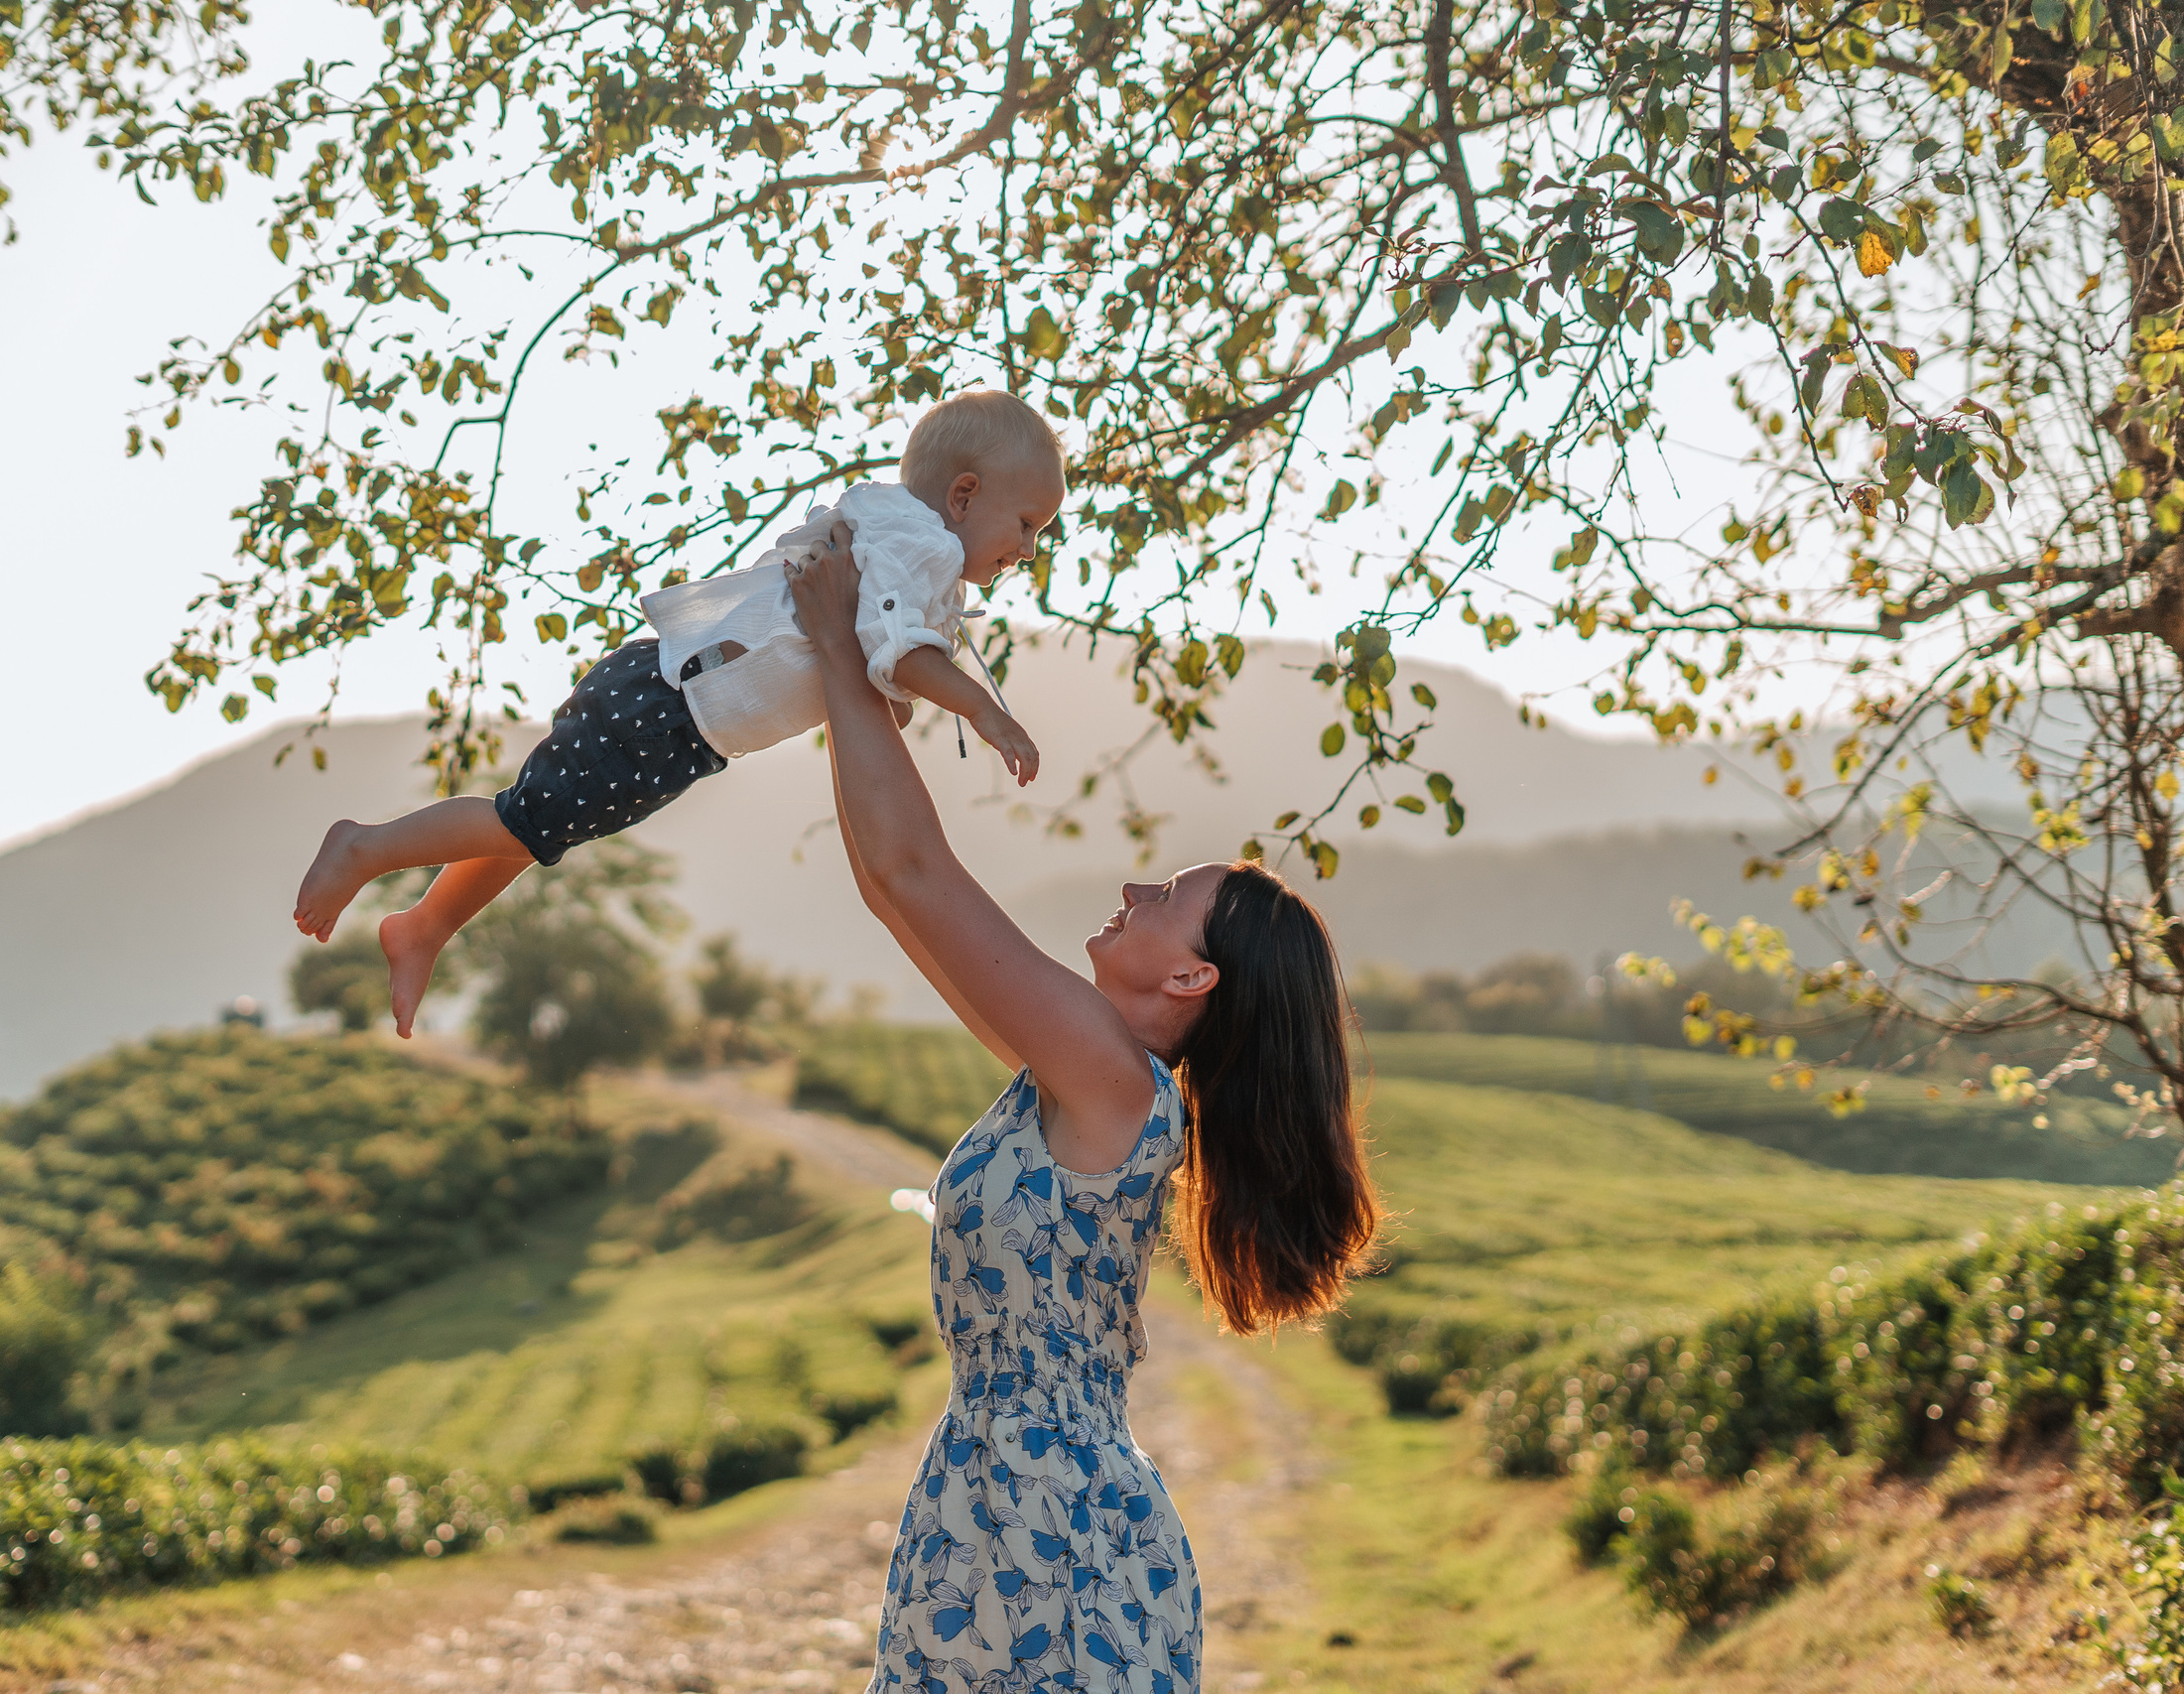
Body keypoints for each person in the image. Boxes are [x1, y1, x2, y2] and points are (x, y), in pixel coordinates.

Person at [784, 535, 1381, 1693]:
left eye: (1165, 895)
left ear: (1191, 980)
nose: (1131, 889)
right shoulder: (1075, 1074)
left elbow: (916, 874)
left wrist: (842, 654)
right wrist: (845, 684)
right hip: (1007, 1507)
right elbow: (887, 886)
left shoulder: (1109, 1081)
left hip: (1050, 1533)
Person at [289, 389, 1065, 1036]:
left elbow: (873, 664)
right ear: (963, 495)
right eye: (1027, 524)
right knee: (527, 821)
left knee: (541, 824)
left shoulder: (903, 540)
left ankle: (425, 926)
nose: (1028, 549)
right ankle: (366, 849)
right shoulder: (921, 545)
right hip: (671, 707)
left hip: (677, 711)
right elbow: (899, 653)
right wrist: (990, 714)